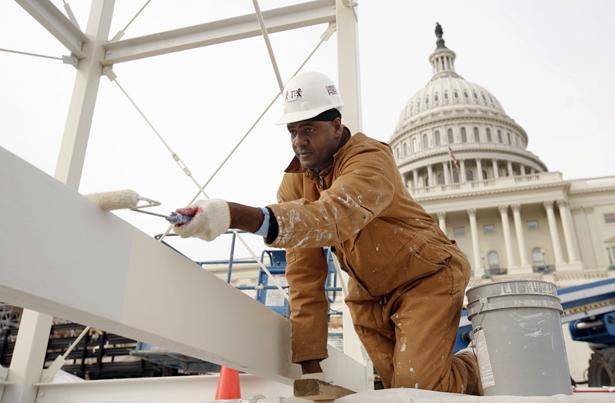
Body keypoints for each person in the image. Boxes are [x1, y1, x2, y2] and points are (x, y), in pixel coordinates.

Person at [174, 71, 481, 394]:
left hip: (426, 278)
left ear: (336, 126)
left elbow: (333, 216)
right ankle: (455, 374)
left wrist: (234, 215)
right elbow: (304, 272)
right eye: (292, 131)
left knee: (416, 386)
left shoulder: (371, 159)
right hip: (369, 297)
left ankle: (474, 365)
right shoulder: (294, 183)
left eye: (308, 129)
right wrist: (310, 363)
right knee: (399, 390)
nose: (298, 141)